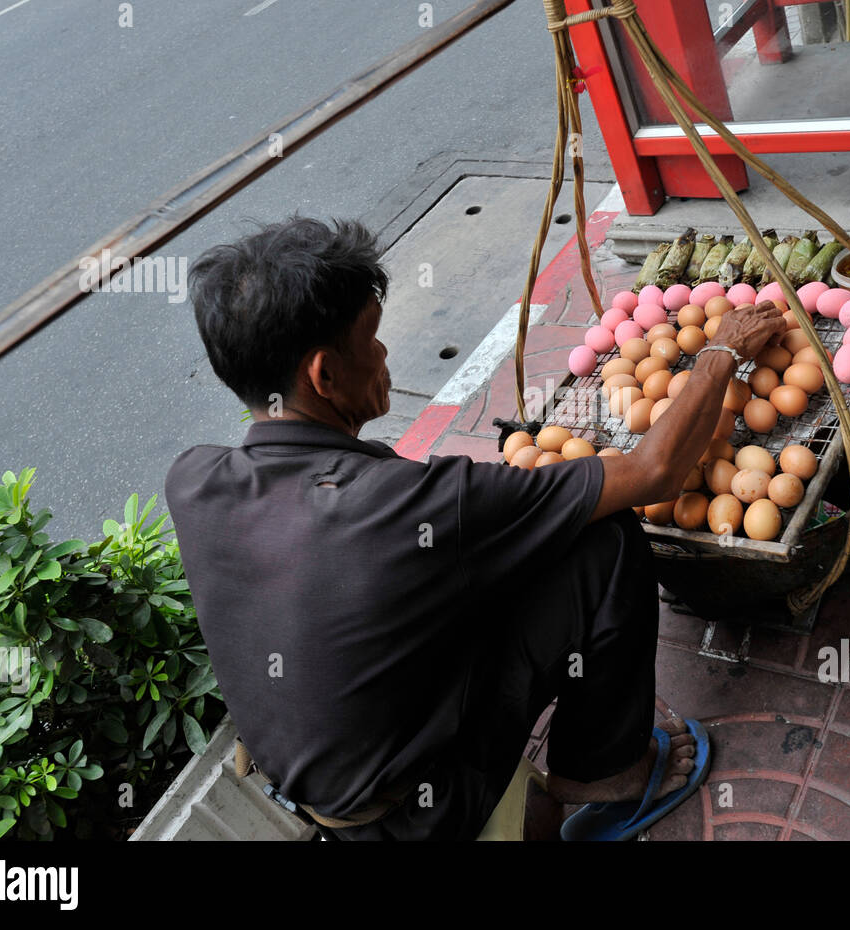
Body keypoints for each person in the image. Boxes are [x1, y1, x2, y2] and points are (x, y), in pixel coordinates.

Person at [165, 215, 787, 840]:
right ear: (324, 376)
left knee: (532, 542)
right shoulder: (403, 505)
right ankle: (603, 774)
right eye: (371, 339)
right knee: (605, 538)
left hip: (325, 786)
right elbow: (653, 472)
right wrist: (719, 356)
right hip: (416, 813)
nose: (383, 354)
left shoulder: (191, 480)